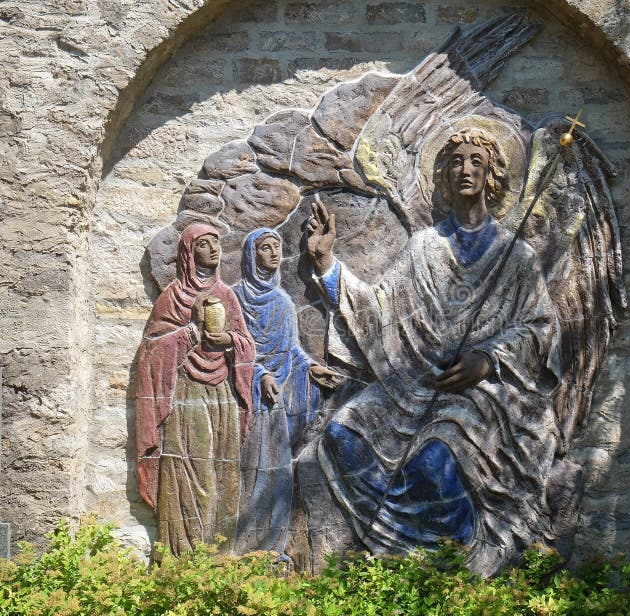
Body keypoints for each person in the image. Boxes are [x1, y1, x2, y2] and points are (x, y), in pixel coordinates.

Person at [305, 127, 562, 575]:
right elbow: (379, 308)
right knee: (342, 435)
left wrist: (488, 360)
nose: (466, 170)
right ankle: (400, 556)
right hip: (415, 387)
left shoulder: (514, 255)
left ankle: (461, 567)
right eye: (457, 162)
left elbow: (541, 327)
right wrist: (327, 264)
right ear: (443, 174)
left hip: (486, 397)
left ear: (492, 175)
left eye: (476, 162)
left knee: (436, 459)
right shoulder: (425, 247)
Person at [136, 223, 254, 556]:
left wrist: (228, 339)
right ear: (189, 253)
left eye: (216, 243)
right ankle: (184, 555)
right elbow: (152, 353)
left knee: (224, 473)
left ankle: (218, 556)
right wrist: (191, 331)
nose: (213, 250)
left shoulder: (226, 296)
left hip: (223, 395)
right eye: (204, 244)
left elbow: (246, 344)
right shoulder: (172, 297)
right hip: (188, 393)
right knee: (195, 475)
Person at [233, 227, 340, 555]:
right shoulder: (235, 298)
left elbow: (292, 350)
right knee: (249, 475)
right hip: (248, 396)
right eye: (265, 248)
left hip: (277, 400)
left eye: (277, 247)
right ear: (253, 255)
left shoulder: (283, 302)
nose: (274, 254)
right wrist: (260, 374)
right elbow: (236, 349)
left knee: (278, 475)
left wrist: (310, 368)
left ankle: (271, 547)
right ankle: (242, 546)